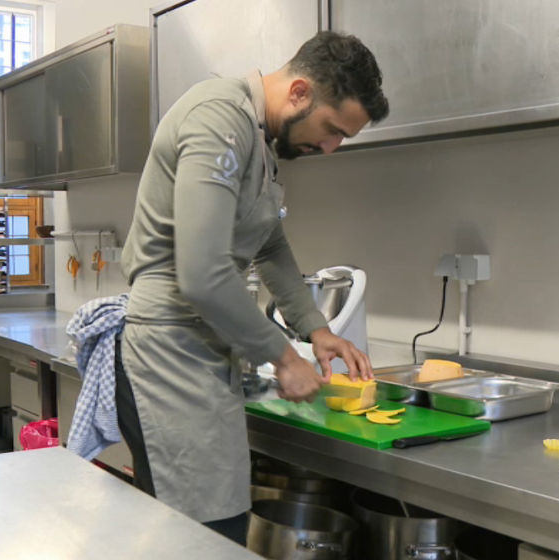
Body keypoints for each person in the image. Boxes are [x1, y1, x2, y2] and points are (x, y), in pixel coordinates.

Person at [116, 31, 390, 545]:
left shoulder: (259, 140)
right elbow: (202, 273)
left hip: (203, 347)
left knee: (215, 527)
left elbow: (270, 244)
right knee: (201, 535)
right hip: (170, 351)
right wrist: (284, 358)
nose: (330, 148)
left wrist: (316, 329)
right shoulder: (219, 119)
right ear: (300, 92)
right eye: (332, 130)